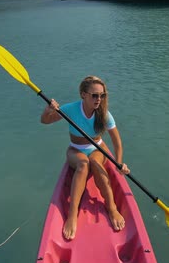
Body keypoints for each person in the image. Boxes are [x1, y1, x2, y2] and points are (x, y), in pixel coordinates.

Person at [40, 75, 130, 240]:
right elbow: (45, 121)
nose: (99, 99)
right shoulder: (70, 109)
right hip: (76, 149)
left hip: (98, 148)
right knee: (83, 164)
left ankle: (112, 208)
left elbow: (117, 143)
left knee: (95, 161)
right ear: (83, 94)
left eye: (102, 95)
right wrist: (48, 111)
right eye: (95, 95)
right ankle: (72, 215)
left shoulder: (105, 114)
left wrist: (119, 162)